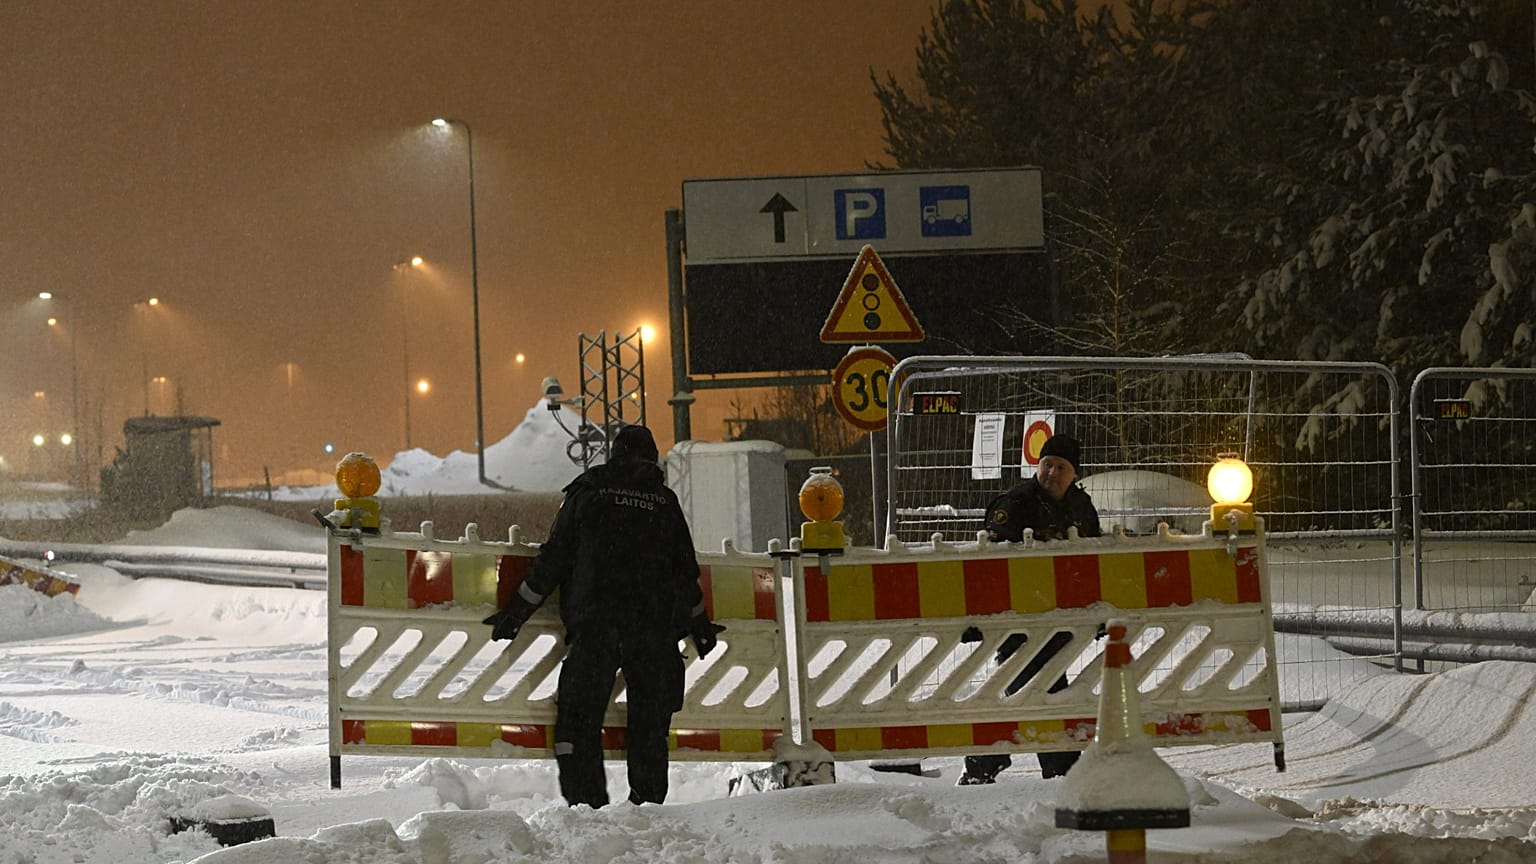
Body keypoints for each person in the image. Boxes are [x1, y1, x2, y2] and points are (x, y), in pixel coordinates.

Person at [482, 424, 723, 807]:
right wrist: (699, 625)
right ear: (652, 458)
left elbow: (553, 560)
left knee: (577, 721)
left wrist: (517, 611)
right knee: (650, 726)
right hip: (654, 631)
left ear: (613, 455)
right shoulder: (664, 502)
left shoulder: (588, 493)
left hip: (597, 625)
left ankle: (587, 809)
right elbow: (684, 573)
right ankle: (646, 808)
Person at [958, 433, 1102, 785]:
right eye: (1047, 464)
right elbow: (986, 564)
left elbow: (1097, 560)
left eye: (1062, 467)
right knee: (1030, 688)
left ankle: (995, 765)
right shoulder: (1016, 502)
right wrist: (979, 616)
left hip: (1061, 620)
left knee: (1041, 688)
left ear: (1075, 475)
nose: (1052, 472)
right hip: (1016, 621)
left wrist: (1100, 611)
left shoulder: (1082, 508)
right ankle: (1055, 771)